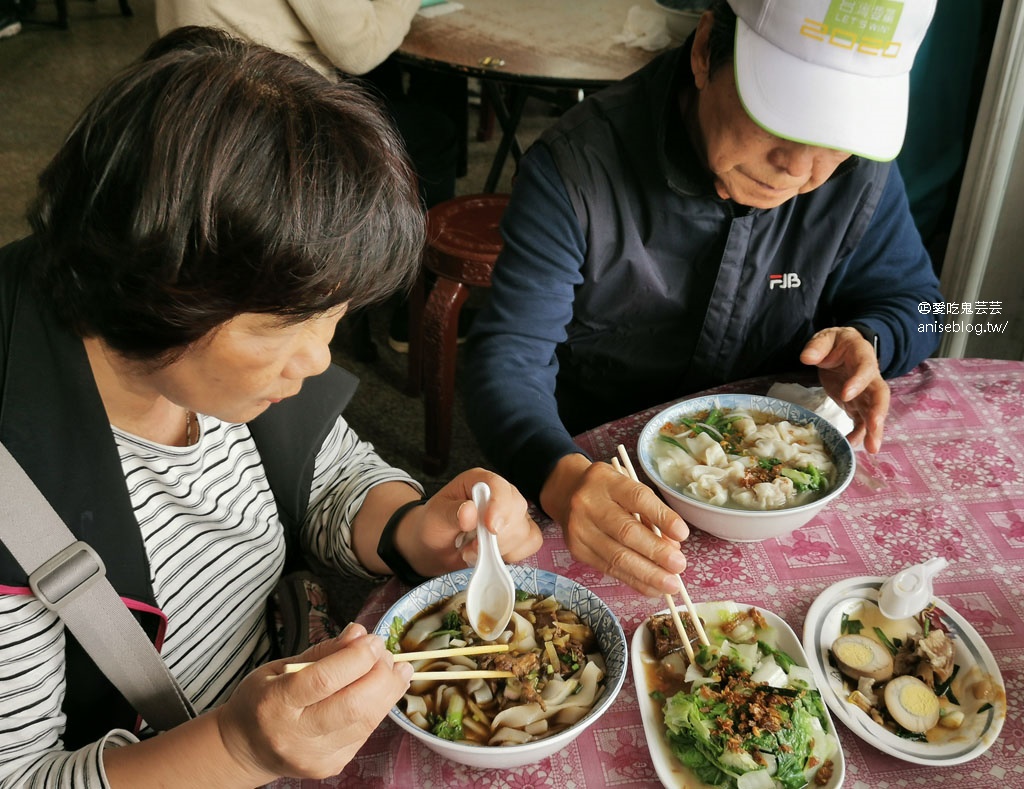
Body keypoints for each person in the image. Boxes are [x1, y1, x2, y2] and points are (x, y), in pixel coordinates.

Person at [0, 28, 541, 787]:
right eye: (288, 325)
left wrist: (417, 527)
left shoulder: (216, 346)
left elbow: (328, 469)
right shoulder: (17, 490)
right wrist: (238, 749)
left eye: (335, 316)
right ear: (159, 285)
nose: (320, 358)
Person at [464, 0, 944, 598]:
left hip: (773, 485)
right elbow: (507, 360)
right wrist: (561, 481)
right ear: (705, 47)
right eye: (780, 116)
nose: (798, 168)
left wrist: (872, 339)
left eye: (836, 135)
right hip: (601, 475)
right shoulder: (576, 171)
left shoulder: (861, 173)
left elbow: (928, 307)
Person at [154, 0, 465, 360]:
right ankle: (416, 306)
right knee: (432, 130)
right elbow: (360, 49)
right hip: (269, 112)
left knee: (391, 92)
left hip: (188, 95)